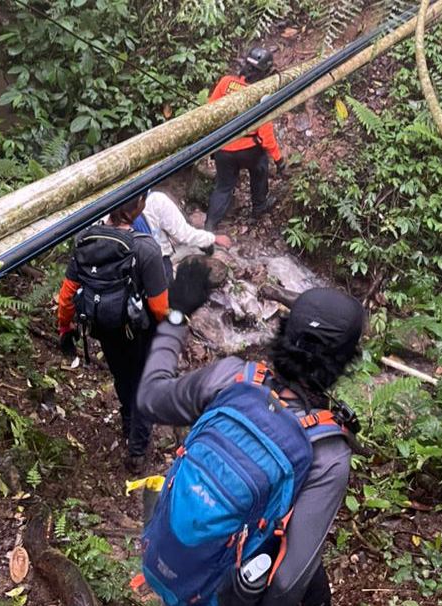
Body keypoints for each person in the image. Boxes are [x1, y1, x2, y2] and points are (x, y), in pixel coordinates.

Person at [135, 260, 364, 606]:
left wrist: (177, 314)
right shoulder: (327, 451)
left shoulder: (232, 378)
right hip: (221, 589)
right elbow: (286, 586)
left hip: (174, 554)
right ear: (346, 361)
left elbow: (150, 398)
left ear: (283, 332)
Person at [56, 196, 169, 473]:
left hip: (104, 327)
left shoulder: (85, 240)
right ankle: (137, 451)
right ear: (139, 207)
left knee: (121, 376)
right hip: (138, 331)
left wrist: (64, 327)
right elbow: (159, 308)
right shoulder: (146, 249)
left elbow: (67, 294)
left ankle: (128, 422)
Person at [205, 47, 286, 231]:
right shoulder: (261, 94)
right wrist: (279, 160)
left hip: (223, 147)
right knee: (260, 167)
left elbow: (210, 111)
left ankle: (209, 225)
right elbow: (266, 134)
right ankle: (259, 206)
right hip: (249, 150)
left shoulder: (226, 82)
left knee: (223, 187)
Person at [132, 189, 233, 280]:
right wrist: (214, 238)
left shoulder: (124, 206)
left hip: (133, 265)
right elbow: (184, 234)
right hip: (157, 263)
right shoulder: (156, 201)